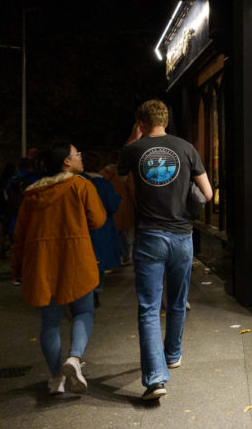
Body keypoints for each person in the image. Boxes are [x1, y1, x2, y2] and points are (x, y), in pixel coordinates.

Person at [118, 99, 212, 401]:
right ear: (166, 121)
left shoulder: (133, 151)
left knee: (148, 309)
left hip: (149, 238)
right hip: (182, 237)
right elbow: (207, 193)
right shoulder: (186, 148)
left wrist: (135, 138)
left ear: (141, 124)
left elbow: (121, 178)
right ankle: (173, 354)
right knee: (177, 301)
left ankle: (156, 379)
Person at [11, 141, 106, 396]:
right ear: (66, 161)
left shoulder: (31, 195)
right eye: (77, 154)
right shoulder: (80, 185)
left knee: (49, 322)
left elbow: (18, 236)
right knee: (83, 311)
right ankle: (74, 359)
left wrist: (17, 268)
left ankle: (55, 378)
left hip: (40, 263)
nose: (80, 158)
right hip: (74, 259)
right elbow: (97, 219)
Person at [80, 151, 122, 308]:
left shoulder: (76, 182)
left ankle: (84, 291)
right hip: (102, 227)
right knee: (99, 260)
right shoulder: (103, 183)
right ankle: (96, 291)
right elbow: (112, 205)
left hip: (81, 226)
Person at [101, 159, 135, 266]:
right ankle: (125, 257)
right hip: (124, 206)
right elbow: (132, 190)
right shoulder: (125, 173)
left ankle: (115, 257)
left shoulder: (103, 173)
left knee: (112, 234)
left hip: (108, 208)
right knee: (125, 234)